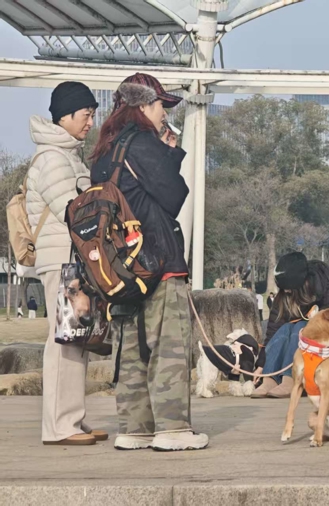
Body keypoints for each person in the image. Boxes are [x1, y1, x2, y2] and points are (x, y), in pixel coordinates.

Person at [90, 73, 207, 450]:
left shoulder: (103, 152)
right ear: (143, 105)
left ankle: (134, 428)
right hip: (158, 262)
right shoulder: (143, 143)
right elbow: (173, 196)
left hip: (120, 269)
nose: (164, 115)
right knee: (167, 345)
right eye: (161, 106)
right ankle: (173, 429)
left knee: (131, 349)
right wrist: (169, 151)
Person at [28, 82, 105, 446]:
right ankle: (60, 426)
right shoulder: (53, 158)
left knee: (74, 338)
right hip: (62, 259)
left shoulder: (67, 155)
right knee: (62, 343)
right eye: (85, 114)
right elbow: (74, 214)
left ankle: (72, 419)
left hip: (68, 258)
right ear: (65, 115)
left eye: (92, 114)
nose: (91, 121)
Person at [252, 252, 329, 398]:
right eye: (283, 288)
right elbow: (273, 330)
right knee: (285, 328)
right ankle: (269, 378)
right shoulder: (284, 295)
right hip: (303, 343)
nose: (286, 291)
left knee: (300, 327)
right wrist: (261, 364)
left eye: (289, 288)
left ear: (301, 283)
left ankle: (291, 379)